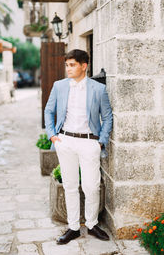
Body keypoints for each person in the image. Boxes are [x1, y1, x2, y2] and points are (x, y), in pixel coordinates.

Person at [45, 49, 113, 245]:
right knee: (70, 186)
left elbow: (107, 117)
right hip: (65, 141)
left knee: (91, 186)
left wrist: (100, 141)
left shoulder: (98, 89)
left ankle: (92, 224)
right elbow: (49, 111)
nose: (68, 69)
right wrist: (52, 135)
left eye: (72, 65)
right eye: (67, 65)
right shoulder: (59, 86)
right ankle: (73, 227)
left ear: (84, 66)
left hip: (89, 142)